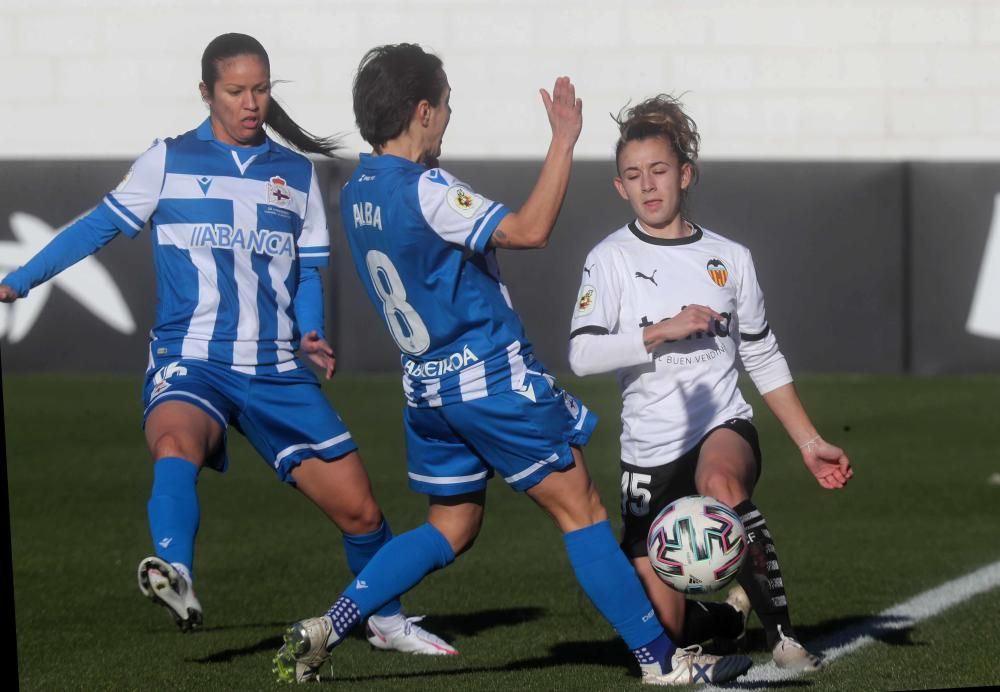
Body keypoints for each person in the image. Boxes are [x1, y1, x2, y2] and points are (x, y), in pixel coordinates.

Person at [271, 43, 753, 686]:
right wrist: (563, 140)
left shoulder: (359, 187)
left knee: (453, 524)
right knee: (581, 509)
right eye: (444, 106)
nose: (447, 118)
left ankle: (326, 626)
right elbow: (529, 230)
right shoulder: (427, 189)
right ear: (422, 111)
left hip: (428, 391)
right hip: (490, 382)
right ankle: (662, 664)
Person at [0, 32, 453, 656]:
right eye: (236, 91)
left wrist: (311, 330)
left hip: (275, 369)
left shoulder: (295, 174)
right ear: (206, 91)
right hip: (194, 359)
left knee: (362, 513)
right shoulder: (167, 160)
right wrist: (17, 280)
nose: (250, 103)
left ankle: (386, 620)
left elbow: (311, 269)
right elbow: (97, 228)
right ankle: (175, 571)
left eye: (260, 89)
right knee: (174, 444)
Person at [568, 94, 854, 670]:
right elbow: (581, 354)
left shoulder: (732, 258)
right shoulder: (610, 259)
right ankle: (728, 618)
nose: (648, 185)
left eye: (659, 170)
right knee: (664, 626)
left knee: (723, 484)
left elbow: (762, 353)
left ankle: (785, 638)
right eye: (633, 175)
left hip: (721, 423)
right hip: (649, 454)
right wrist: (660, 332)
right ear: (618, 187)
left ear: (686, 174)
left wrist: (808, 441)